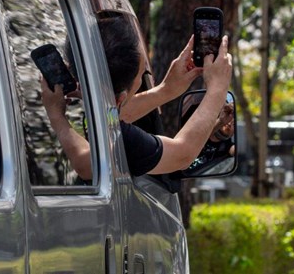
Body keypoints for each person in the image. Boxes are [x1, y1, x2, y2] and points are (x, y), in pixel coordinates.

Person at [40, 11, 232, 179]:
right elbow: (182, 154)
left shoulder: (104, 119)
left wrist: (166, 90)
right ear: (120, 99)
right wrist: (217, 89)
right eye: (142, 76)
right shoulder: (124, 139)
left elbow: (115, 115)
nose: (142, 79)